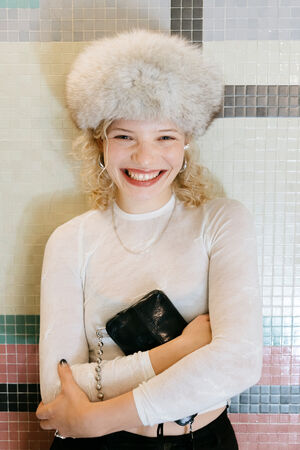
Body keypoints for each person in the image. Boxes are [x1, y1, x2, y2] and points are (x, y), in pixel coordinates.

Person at [36, 29, 263, 449]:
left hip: (199, 441)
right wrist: (182, 351)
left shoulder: (223, 220)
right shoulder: (70, 240)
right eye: (125, 136)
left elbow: (239, 361)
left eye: (164, 137)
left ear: (186, 142)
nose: (144, 157)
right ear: (100, 142)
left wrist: (96, 417)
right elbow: (57, 387)